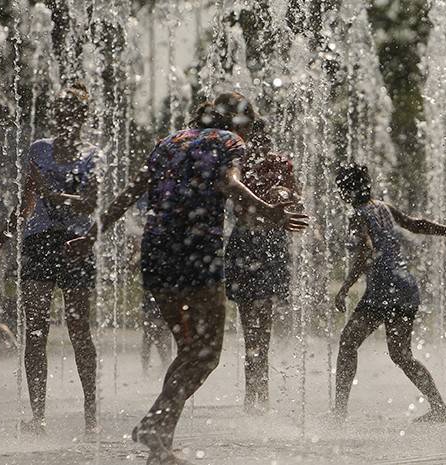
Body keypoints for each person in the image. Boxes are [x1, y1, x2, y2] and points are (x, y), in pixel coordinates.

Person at [68, 92, 307, 465]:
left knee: (188, 352)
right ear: (236, 121)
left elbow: (132, 191)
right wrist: (270, 212)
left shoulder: (168, 142)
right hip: (197, 254)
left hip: (157, 254)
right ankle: (154, 425)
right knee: (206, 354)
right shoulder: (229, 141)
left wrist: (94, 234)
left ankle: (160, 446)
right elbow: (230, 183)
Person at [0, 83, 99, 435]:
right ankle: (39, 416)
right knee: (35, 331)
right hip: (40, 243)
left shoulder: (93, 155)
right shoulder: (39, 150)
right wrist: (1, 240)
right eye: (61, 113)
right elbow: (27, 202)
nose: (66, 119)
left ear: (83, 117)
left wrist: (55, 194)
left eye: (73, 113)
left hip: (76, 244)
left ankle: (91, 417)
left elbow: (90, 204)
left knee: (79, 331)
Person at [332, 163, 446, 423]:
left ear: (346, 190)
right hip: (406, 287)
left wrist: (344, 287)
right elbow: (415, 224)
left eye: (340, 187)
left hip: (384, 289)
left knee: (348, 343)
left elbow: (364, 251)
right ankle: (438, 407)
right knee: (401, 354)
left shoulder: (358, 214)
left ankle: (339, 413)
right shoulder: (383, 207)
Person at [225, 118, 300, 414]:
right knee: (251, 327)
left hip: (268, 242)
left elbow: (295, 197)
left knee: (261, 326)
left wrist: (285, 197)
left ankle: (260, 393)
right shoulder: (237, 163)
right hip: (248, 240)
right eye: (254, 138)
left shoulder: (280, 163)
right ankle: (253, 393)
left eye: (263, 138)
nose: (260, 143)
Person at [140, 291, 172, 374]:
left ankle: (165, 368)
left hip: (158, 326)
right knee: (148, 349)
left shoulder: (158, 294)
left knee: (160, 348)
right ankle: (146, 370)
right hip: (152, 326)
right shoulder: (148, 296)